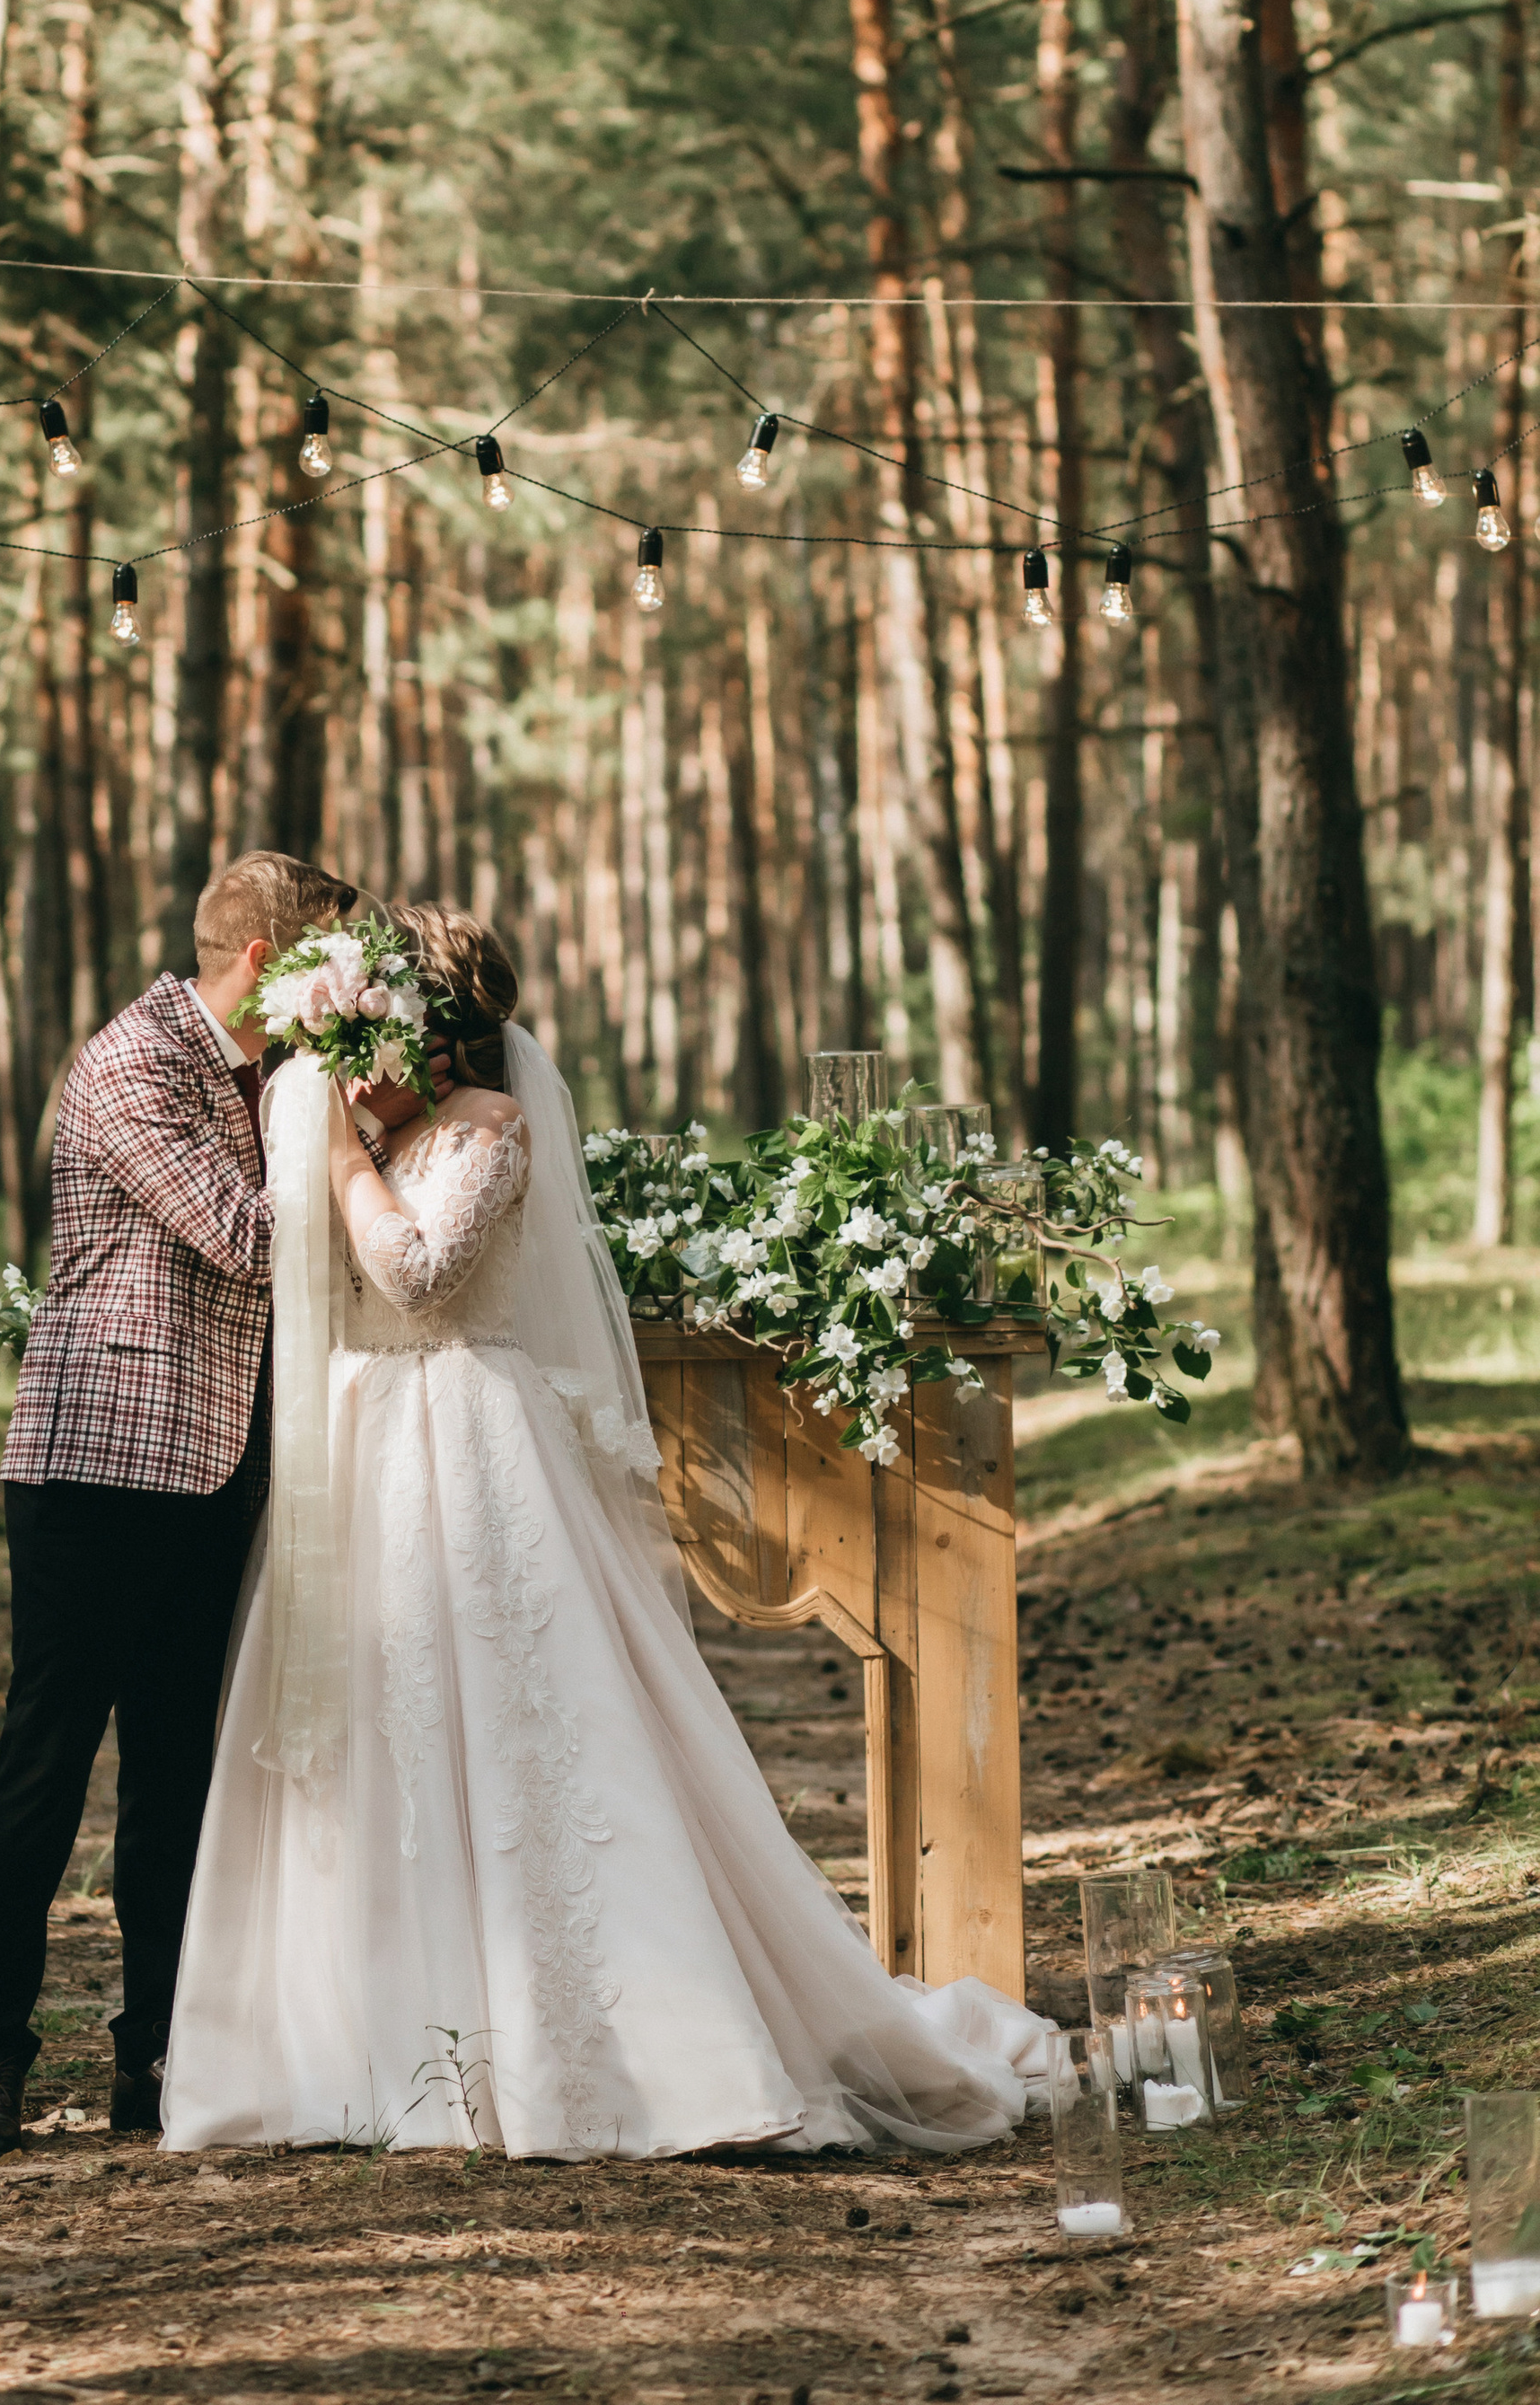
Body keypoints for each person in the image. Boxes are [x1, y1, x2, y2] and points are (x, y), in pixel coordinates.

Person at [161, 901, 1053, 2161]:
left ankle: (583, 2046)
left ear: (435, 1041)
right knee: (369, 1736)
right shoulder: (361, 1122)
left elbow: (422, 1276)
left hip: (465, 1442)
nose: (350, 1068)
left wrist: (343, 1163)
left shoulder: (491, 1128)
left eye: (367, 1037)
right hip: (355, 1459)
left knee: (525, 1733)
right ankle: (354, 2044)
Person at [0, 849, 356, 2160]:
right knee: (47, 1767)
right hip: (94, 1469)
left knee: (177, 1783)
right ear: (261, 963)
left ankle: (158, 2057)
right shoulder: (134, 1062)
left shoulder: (266, 1072)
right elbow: (243, 1235)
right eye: (321, 966)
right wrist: (350, 1137)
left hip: (221, 1471)